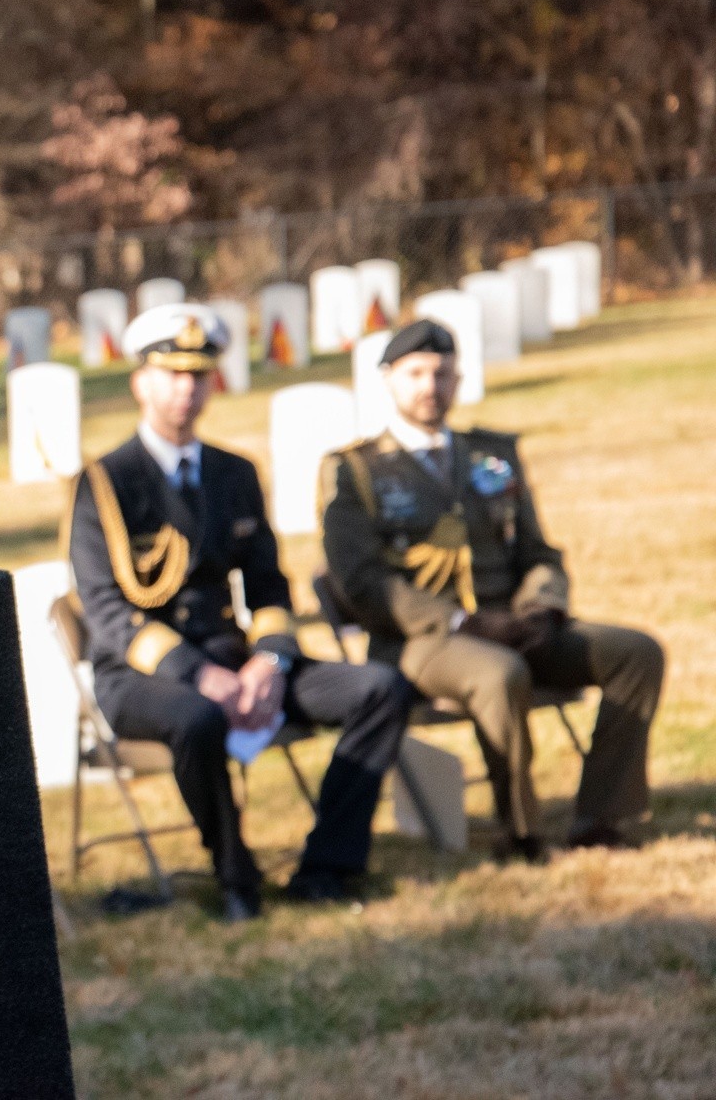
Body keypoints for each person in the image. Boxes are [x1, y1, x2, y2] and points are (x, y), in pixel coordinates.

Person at [66, 303, 414, 919]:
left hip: (237, 659)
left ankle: (327, 866)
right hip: (141, 678)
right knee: (199, 718)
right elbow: (105, 610)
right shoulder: (104, 483)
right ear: (139, 382)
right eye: (171, 375)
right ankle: (235, 876)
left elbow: (269, 587)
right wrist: (199, 674)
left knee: (380, 688)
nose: (186, 390)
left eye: (199, 375)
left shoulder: (235, 473)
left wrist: (271, 663)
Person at [320, 318, 664, 862]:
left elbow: (538, 552)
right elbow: (361, 581)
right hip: (420, 641)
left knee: (635, 653)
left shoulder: (492, 456)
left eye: (442, 372)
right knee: (499, 674)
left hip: (516, 624)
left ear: (457, 379)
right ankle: (521, 833)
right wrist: (462, 623)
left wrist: (543, 605)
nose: (430, 386)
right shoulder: (355, 470)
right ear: (387, 380)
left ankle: (602, 818)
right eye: (415, 374)